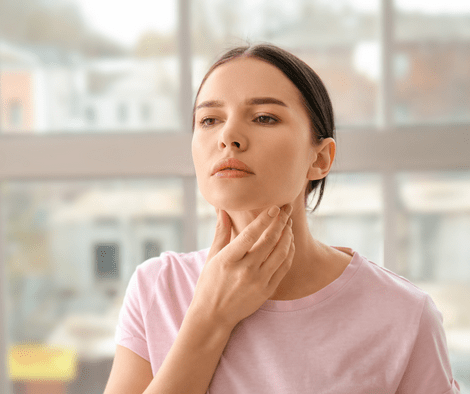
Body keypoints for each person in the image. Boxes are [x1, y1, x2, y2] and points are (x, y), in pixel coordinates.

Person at [104, 43, 461, 394]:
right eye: (209, 119)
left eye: (264, 118)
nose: (228, 136)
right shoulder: (156, 289)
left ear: (320, 159)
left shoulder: (403, 315)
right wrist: (208, 319)